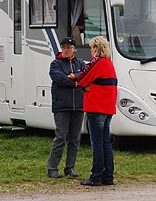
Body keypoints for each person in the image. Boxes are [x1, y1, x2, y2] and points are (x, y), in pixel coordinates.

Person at [78, 36, 118, 186]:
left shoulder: (97, 62)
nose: (91, 51)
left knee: (97, 144)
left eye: (91, 48)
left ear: (95, 48)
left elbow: (83, 78)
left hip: (96, 106)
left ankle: (96, 176)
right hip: (108, 107)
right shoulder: (109, 63)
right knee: (105, 142)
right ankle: (108, 176)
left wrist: (83, 84)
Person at [47, 37, 85, 178]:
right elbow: (59, 78)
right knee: (61, 137)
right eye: (63, 47)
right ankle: (52, 168)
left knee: (75, 138)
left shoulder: (80, 63)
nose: (66, 50)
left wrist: (74, 76)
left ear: (74, 48)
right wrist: (75, 83)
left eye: (68, 47)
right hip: (62, 105)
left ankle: (70, 168)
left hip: (78, 106)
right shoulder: (55, 64)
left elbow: (85, 75)